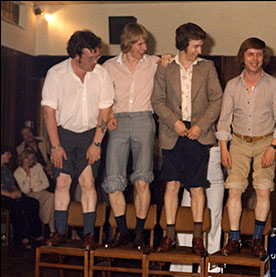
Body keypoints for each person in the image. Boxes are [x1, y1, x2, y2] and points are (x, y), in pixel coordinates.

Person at [151, 22, 222, 256]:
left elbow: (217, 100)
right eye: (195, 46)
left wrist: (201, 126)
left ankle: (197, 237)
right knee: (171, 185)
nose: (199, 51)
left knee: (197, 186)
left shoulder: (208, 67)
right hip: (173, 133)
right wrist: (175, 122)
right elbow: (157, 101)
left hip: (198, 134)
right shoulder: (165, 66)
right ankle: (169, 235)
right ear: (183, 44)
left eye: (201, 46)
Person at [216, 37, 276, 260]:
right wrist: (224, 148)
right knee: (234, 190)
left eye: (259, 54)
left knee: (263, 190)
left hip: (265, 143)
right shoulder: (231, 85)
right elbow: (223, 120)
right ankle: (235, 238)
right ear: (243, 56)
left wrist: (273, 148)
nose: (255, 59)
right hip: (237, 143)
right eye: (250, 54)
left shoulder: (274, 85)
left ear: (263, 57)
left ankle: (258, 238)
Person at [41, 30, 114, 250]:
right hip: (63, 134)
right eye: (90, 58)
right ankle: (60, 232)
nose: (95, 61)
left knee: (88, 183)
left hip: (91, 134)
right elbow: (48, 112)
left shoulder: (101, 75)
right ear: (76, 56)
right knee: (62, 182)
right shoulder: (56, 74)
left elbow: (105, 112)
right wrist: (55, 145)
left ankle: (89, 234)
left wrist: (96, 143)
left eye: (97, 56)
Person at [102, 22, 171, 249]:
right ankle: (123, 232)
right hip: (118, 121)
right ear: (128, 43)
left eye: (145, 43)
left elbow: (171, 66)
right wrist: (109, 113)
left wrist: (169, 59)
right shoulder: (109, 66)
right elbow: (101, 97)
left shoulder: (154, 63)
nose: (144, 47)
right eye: (140, 43)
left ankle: (140, 233)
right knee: (113, 182)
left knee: (142, 180)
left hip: (144, 119)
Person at [169, 144, 225, 277]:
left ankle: (210, 273)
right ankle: (181, 270)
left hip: (215, 169)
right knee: (186, 220)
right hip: (193, 170)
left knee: (213, 223)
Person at [1, 146, 42, 249]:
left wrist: (16, 191)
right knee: (16, 205)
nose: (10, 156)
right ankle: (22, 238)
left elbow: (12, 184)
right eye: (8, 154)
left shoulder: (6, 169)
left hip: (11, 195)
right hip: (3, 197)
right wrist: (10, 195)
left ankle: (34, 233)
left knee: (33, 202)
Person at [13, 149, 56, 237]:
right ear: (22, 159)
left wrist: (34, 189)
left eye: (31, 158)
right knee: (50, 201)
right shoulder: (17, 172)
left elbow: (46, 184)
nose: (29, 161)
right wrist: (28, 175)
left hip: (41, 192)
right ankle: (51, 229)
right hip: (29, 195)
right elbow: (25, 190)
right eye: (27, 158)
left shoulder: (38, 166)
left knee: (51, 198)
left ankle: (46, 222)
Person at [17, 126, 55, 191]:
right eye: (25, 134)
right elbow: (26, 166)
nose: (28, 135)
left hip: (49, 169)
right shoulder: (20, 149)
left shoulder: (42, 140)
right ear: (22, 137)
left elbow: (54, 153)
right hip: (35, 174)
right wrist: (44, 170)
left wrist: (51, 167)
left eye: (29, 132)